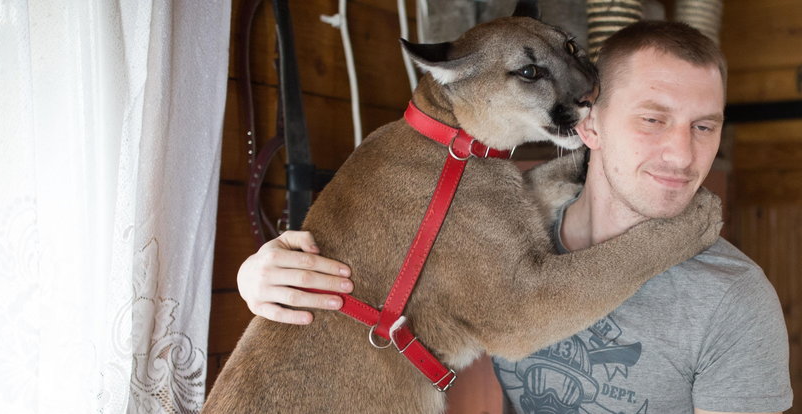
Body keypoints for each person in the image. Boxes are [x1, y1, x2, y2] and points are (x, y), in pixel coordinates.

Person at [234, 21, 792, 413]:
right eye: (652, 119)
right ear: (589, 125)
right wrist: (258, 277)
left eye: (705, 126)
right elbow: (506, 304)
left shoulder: (734, 301)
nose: (682, 155)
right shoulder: (474, 202)